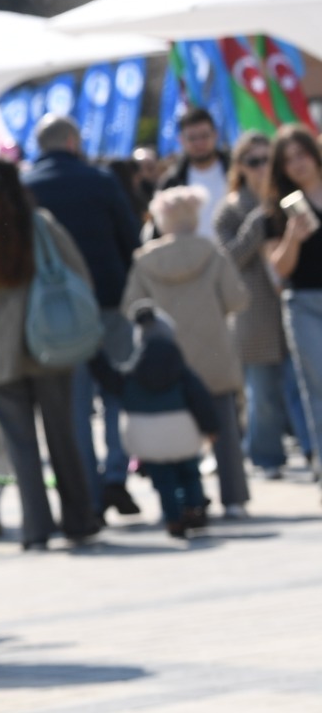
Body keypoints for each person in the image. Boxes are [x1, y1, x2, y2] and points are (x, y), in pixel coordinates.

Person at [0, 158, 102, 549]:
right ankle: (79, 520)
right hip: (51, 343)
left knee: (21, 447)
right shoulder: (42, 224)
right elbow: (80, 275)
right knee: (63, 438)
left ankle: (37, 529)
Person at [23, 113, 145, 518]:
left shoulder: (27, 187)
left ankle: (88, 492)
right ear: (73, 142)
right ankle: (116, 476)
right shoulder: (101, 181)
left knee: (74, 404)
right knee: (116, 391)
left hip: (56, 312)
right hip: (110, 300)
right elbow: (130, 239)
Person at [124, 186, 250, 516]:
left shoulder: (145, 260)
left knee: (175, 433)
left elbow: (131, 307)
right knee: (225, 432)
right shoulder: (212, 252)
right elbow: (237, 298)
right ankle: (234, 499)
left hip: (169, 362)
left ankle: (184, 502)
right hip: (215, 356)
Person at [97, 304, 224, 537]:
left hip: (147, 438)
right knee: (190, 474)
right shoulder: (182, 372)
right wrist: (211, 428)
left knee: (164, 481)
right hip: (183, 433)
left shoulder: (133, 372)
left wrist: (96, 352)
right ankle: (194, 509)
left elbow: (110, 380)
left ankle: (173, 519)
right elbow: (201, 400)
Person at [218, 136, 303, 478]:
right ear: (240, 167)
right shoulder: (229, 210)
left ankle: (311, 449)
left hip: (292, 301)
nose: (261, 167)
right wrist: (258, 223)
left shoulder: (289, 198)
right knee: (263, 392)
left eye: (267, 159)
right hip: (253, 311)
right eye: (253, 161)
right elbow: (229, 259)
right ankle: (266, 457)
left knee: (300, 387)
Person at [264, 125, 322, 486]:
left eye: (302, 154)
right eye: (289, 160)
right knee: (318, 386)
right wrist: (293, 238)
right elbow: (279, 270)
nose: (298, 164)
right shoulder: (277, 209)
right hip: (304, 303)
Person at [170, 104, 232, 209]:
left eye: (204, 136)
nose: (199, 143)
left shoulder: (238, 171)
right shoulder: (172, 182)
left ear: (215, 135)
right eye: (192, 138)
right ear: (181, 140)